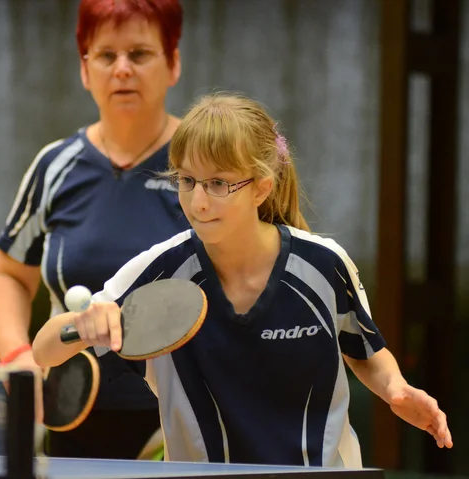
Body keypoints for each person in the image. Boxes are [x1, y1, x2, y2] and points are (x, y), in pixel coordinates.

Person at [32, 92, 453, 467]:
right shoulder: (158, 271)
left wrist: (396, 388)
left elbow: (364, 350)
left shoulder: (324, 265)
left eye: (218, 184)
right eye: (187, 181)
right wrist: (82, 325)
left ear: (261, 188)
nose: (197, 201)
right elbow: (46, 351)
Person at [0, 0, 187, 460]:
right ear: (85, 69)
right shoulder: (54, 167)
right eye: (106, 55)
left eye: (139, 54)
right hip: (70, 411)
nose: (122, 70)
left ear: (173, 63)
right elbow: (8, 275)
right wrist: (17, 357)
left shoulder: (199, 167)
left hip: (180, 418)